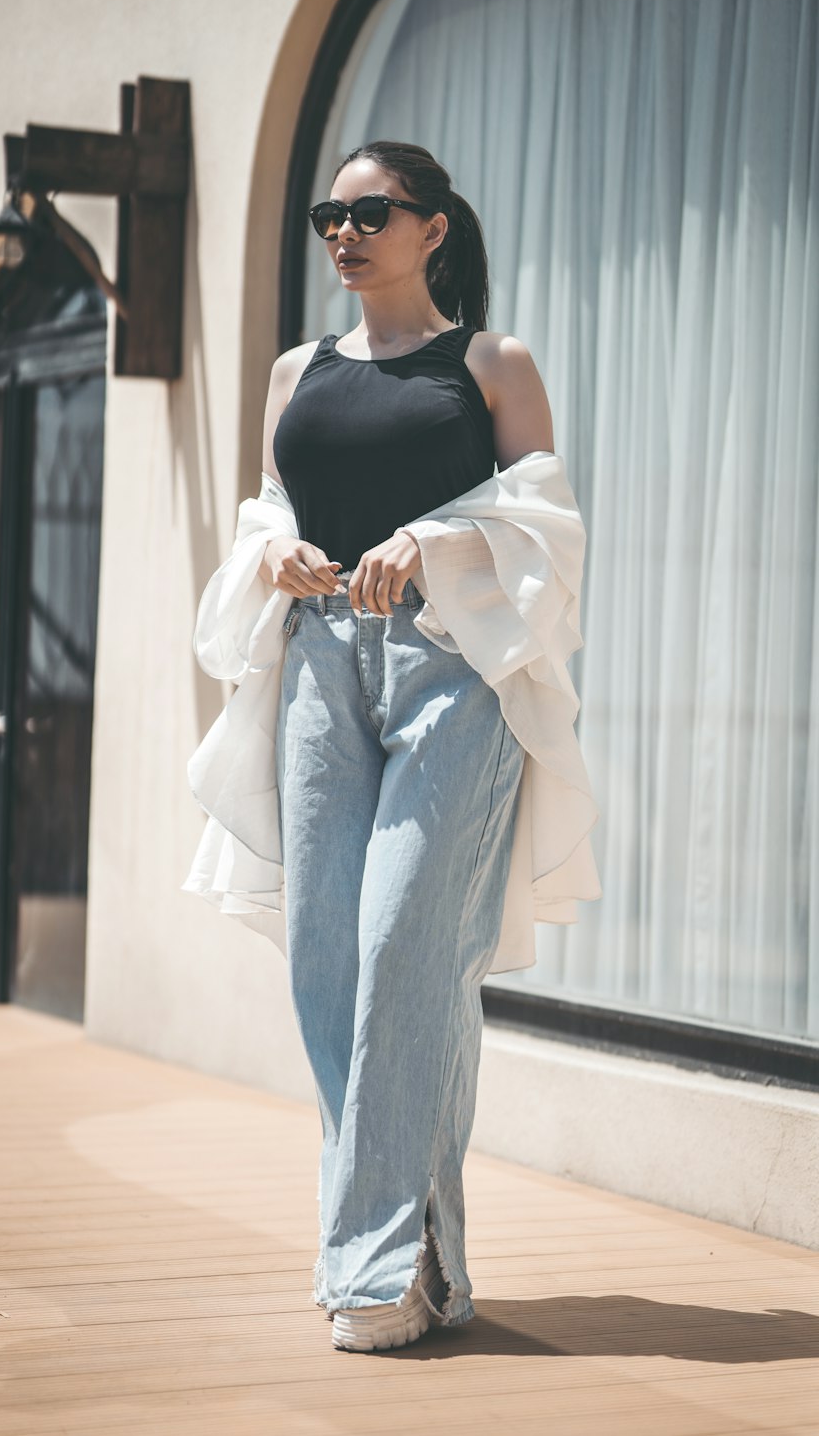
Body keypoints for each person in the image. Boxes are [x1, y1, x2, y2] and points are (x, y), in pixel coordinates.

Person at [183, 140, 600, 1353]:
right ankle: (426, 1249)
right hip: (317, 660)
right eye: (332, 214)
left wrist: (435, 537)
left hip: (451, 675)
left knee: (402, 941)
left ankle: (364, 1270)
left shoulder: (491, 363)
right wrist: (279, 552)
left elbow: (548, 534)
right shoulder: (294, 371)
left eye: (372, 212)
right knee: (330, 955)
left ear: (432, 229)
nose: (345, 231)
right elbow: (267, 506)